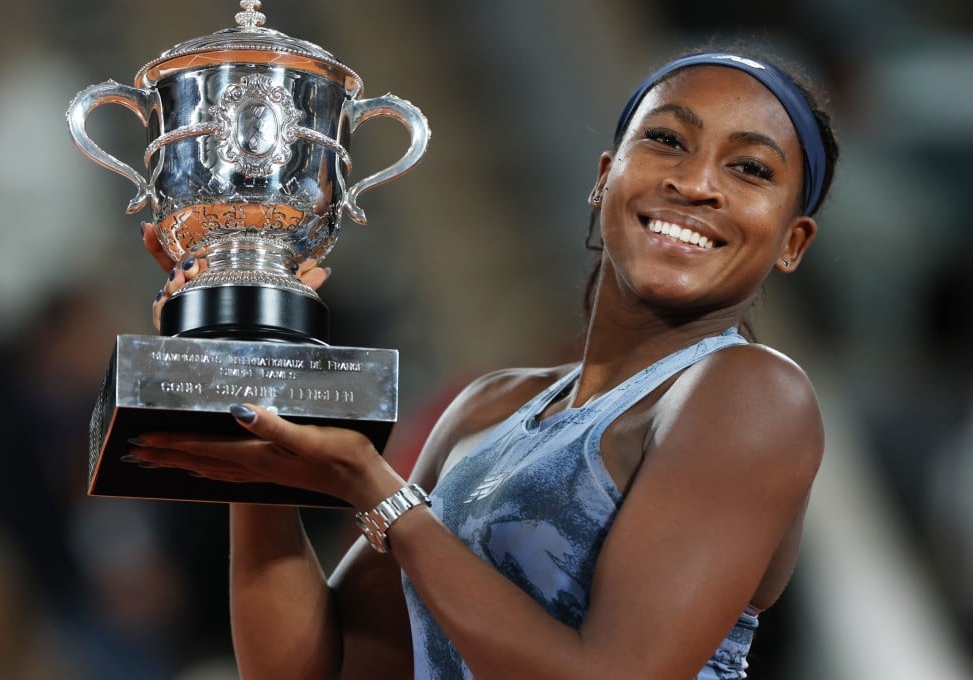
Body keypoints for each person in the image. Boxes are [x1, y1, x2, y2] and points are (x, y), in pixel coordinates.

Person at [127, 48, 839, 679]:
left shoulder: (753, 394)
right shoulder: (488, 407)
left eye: (749, 168)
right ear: (604, 176)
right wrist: (252, 422)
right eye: (666, 140)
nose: (696, 183)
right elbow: (320, 669)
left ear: (793, 242)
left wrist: (379, 492)